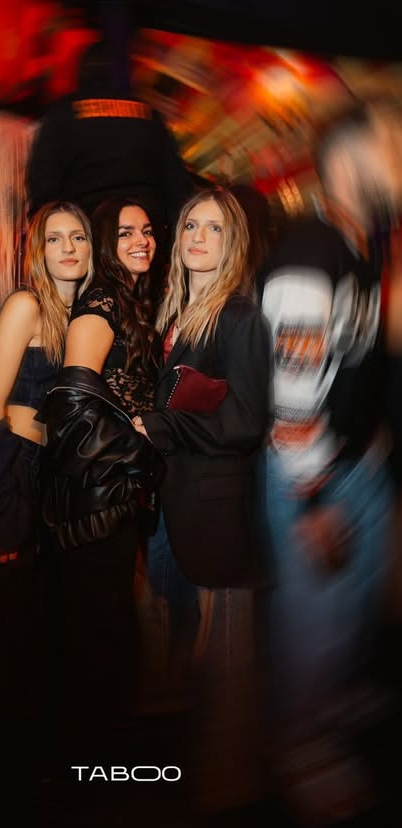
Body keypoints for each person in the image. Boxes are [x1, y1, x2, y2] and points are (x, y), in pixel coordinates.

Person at [257, 101, 402, 827]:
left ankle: (329, 706)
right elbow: (290, 398)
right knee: (314, 626)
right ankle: (299, 749)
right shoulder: (310, 256)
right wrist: (313, 501)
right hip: (313, 478)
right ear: (348, 156)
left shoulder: (357, 245)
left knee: (353, 608)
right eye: (394, 142)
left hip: (354, 466)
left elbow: (354, 362)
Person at [132, 187, 272, 809]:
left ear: (233, 243)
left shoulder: (239, 316)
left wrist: (161, 425)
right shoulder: (177, 312)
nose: (198, 237)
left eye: (214, 229)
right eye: (192, 224)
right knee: (172, 632)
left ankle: (229, 780)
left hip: (215, 505)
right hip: (172, 501)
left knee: (227, 656)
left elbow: (245, 423)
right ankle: (175, 755)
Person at [0, 200, 94, 827]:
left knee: (37, 637)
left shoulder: (83, 317)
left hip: (50, 488)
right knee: (7, 642)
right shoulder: (26, 306)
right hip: (12, 473)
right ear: (37, 251)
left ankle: (31, 774)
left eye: (78, 237)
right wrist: (0, 506)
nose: (68, 248)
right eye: (54, 239)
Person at [37, 195, 165, 769]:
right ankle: (84, 758)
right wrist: (141, 454)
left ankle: (94, 743)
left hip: (113, 490)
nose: (141, 240)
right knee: (96, 627)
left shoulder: (130, 299)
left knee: (106, 622)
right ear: (107, 245)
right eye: (126, 232)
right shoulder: (101, 303)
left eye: (147, 230)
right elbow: (70, 410)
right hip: (94, 495)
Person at [25, 39, 194, 274]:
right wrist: (171, 243)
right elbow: (178, 185)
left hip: (87, 237)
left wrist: (49, 237)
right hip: (144, 237)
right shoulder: (148, 113)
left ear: (81, 72)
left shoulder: (62, 114)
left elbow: (42, 185)